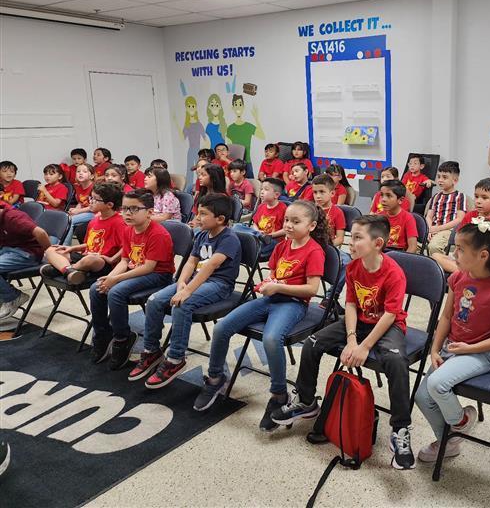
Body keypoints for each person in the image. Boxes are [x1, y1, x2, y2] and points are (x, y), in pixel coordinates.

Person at [272, 215, 416, 470]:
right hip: (359, 322)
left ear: (378, 243)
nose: (351, 241)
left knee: (395, 359)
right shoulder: (353, 267)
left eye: (358, 237)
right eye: (351, 235)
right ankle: (306, 401)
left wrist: (364, 346)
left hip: (387, 324)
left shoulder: (394, 273)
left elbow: (391, 315)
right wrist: (351, 339)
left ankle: (401, 429)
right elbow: (350, 303)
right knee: (312, 343)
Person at [193, 201, 327, 424]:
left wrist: (278, 287)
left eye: (296, 221)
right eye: (286, 220)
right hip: (270, 297)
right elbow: (275, 273)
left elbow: (311, 289)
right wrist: (269, 283)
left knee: (272, 339)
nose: (289, 225)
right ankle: (215, 378)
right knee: (222, 327)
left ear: (311, 226)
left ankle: (278, 394)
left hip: (293, 303)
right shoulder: (283, 246)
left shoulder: (314, 251)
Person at [414, 220, 490, 463]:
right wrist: (435, 349)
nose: (454, 254)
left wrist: (470, 348)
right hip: (454, 348)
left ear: (483, 255)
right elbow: (447, 316)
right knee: (421, 396)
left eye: (460, 249)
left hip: (482, 353)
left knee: (437, 384)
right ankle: (447, 442)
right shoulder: (458, 278)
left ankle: (461, 422)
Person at [129, 193, 242, 387]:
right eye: (198, 213)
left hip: (219, 285)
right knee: (154, 300)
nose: (197, 218)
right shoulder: (202, 234)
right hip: (194, 280)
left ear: (220, 219)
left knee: (182, 304)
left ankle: (175, 359)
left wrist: (186, 291)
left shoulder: (229, 238)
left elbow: (210, 267)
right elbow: (191, 262)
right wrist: (181, 283)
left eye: (203, 214)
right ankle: (152, 350)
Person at [89, 189, 175, 370]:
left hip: (158, 276)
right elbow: (125, 260)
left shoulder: (158, 234)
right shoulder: (128, 230)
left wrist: (116, 280)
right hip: (136, 270)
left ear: (150, 212)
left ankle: (122, 338)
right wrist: (109, 278)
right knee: (96, 288)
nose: (127, 213)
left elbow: (148, 267)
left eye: (134, 209)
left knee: (116, 293)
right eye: (125, 208)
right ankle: (103, 333)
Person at [41, 182, 126, 285]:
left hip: (101, 262)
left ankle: (66, 269)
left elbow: (126, 247)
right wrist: (72, 248)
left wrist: (112, 259)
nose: (90, 201)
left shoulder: (120, 222)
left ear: (109, 205)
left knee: (91, 260)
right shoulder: (94, 221)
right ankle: (70, 272)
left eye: (95, 199)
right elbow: (88, 244)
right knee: (51, 250)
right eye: (91, 197)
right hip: (85, 256)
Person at [431, 178, 490, 275]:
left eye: (484, 198)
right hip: (467, 258)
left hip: (488, 262)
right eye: (476, 197)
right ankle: (469, 273)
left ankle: (469, 273)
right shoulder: (470, 216)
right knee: (435, 256)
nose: (478, 201)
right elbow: (459, 239)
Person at [0, 204, 51, 320]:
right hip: (8, 249)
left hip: (27, 253)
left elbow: (40, 233)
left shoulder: (13, 218)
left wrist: (50, 253)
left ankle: (13, 297)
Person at [311, 174, 348, 304]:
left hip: (328, 248)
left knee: (347, 262)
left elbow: (340, 238)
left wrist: (326, 246)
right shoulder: (310, 211)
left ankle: (331, 297)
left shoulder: (337, 212)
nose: (318, 196)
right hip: (309, 247)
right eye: (315, 192)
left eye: (322, 192)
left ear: (332, 193)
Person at [232, 178, 286, 260]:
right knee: (237, 226)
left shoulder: (283, 209)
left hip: (272, 241)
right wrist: (257, 232)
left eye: (266, 189)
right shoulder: (261, 206)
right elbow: (255, 224)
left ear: (276, 195)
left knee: (248, 245)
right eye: (261, 189)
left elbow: (285, 230)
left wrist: (270, 235)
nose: (262, 192)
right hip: (258, 236)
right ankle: (257, 237)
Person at [425, 161, 466, 256]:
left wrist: (438, 228)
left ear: (455, 180)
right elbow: (429, 216)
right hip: (432, 229)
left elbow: (460, 219)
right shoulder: (436, 196)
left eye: (444, 177)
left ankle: (439, 269)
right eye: (438, 176)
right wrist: (429, 229)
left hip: (448, 230)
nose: (440, 180)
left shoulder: (459, 196)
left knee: (433, 247)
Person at [227, 93, 265, 178]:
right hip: (234, 163)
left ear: (243, 106)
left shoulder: (248, 126)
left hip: (247, 161)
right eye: (235, 105)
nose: (238, 107)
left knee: (250, 183)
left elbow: (262, 135)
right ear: (232, 107)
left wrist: (256, 118)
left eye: (240, 104)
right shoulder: (230, 128)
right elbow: (228, 147)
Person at [380, 180, 418, 253]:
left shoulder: (408, 218)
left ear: (400, 200)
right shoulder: (379, 216)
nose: (383, 199)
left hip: (399, 254)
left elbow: (412, 247)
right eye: (382, 195)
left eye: (389, 196)